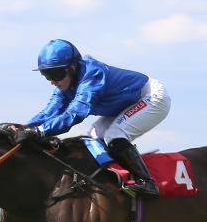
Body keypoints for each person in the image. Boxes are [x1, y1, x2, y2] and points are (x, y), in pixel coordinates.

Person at [13, 39, 171, 198]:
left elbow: (75, 115)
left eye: (56, 74)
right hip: (127, 104)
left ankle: (147, 182)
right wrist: (23, 128)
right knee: (92, 139)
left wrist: (39, 131)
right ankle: (110, 178)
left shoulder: (92, 75)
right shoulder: (66, 84)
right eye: (47, 75)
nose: (52, 81)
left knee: (115, 135)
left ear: (72, 68)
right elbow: (49, 112)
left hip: (151, 97)